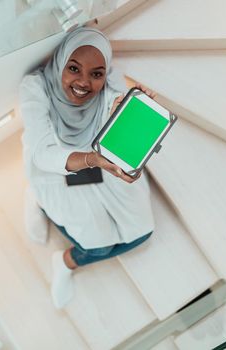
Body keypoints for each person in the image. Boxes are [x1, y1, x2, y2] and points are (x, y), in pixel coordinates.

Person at [19, 27, 156, 308]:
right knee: (99, 245)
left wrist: (128, 114)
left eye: (96, 74)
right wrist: (91, 159)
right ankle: (65, 259)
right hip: (54, 173)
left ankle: (69, 253)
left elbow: (115, 97)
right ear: (60, 63)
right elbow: (44, 154)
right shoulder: (35, 86)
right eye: (73, 68)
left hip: (102, 168)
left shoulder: (109, 84)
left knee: (142, 233)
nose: (83, 82)